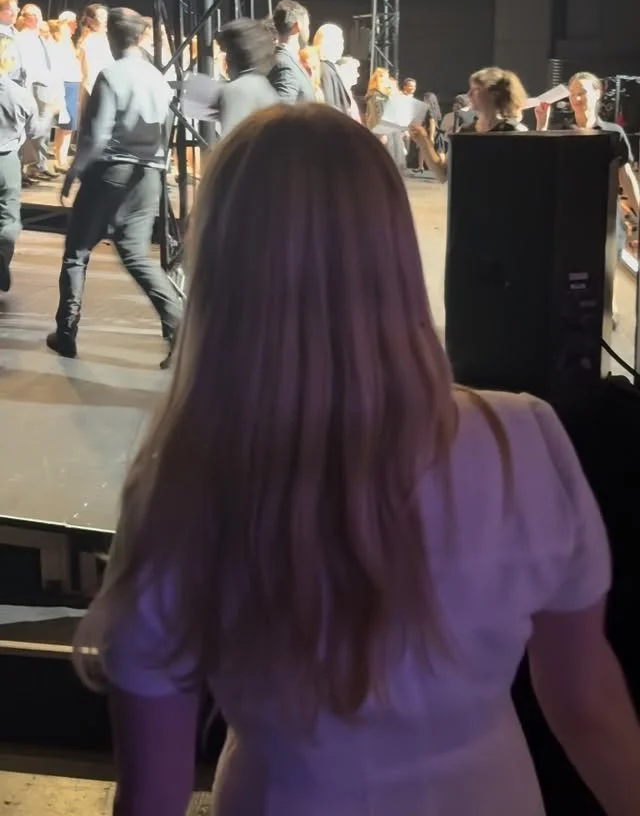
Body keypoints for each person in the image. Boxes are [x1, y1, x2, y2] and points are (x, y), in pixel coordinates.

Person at [74, 105, 640, 816]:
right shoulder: (524, 441)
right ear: (393, 249)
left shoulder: (181, 486)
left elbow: (153, 795)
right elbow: (586, 704)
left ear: (221, 264)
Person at [46, 8, 182, 368]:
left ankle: (66, 332)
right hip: (149, 174)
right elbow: (165, 131)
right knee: (136, 255)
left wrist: (75, 171)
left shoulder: (110, 75)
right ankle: (179, 324)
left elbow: (98, 135)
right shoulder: (157, 78)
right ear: (139, 37)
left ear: (111, 37)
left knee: (77, 253)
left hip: (111, 172)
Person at [536, 72, 639, 317]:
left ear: (597, 92)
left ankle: (607, 311)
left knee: (606, 271)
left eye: (582, 92)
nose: (577, 99)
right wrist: (541, 125)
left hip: (605, 215)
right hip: (569, 215)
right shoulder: (562, 131)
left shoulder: (612, 133)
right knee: (570, 273)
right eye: (572, 94)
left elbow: (626, 176)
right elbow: (540, 164)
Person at [411, 67, 528, 183]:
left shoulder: (514, 132)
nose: (469, 94)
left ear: (494, 94)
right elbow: (443, 174)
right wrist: (423, 141)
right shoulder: (466, 131)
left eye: (476, 89)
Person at [0, 37, 47, 292]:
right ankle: (2, 254)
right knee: (8, 216)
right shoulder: (19, 94)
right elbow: (34, 130)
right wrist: (50, 112)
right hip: (6, 159)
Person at [205, 18, 278, 136]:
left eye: (227, 52)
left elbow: (232, 140)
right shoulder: (262, 85)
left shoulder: (237, 90)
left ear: (233, 56)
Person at [17, 4, 58, 179]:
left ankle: (37, 165)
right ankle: (26, 166)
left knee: (44, 127)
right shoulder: (22, 37)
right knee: (32, 126)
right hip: (33, 85)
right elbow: (26, 65)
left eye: (39, 14)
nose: (39, 17)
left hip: (44, 84)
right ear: (26, 18)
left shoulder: (39, 37)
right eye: (34, 15)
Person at [48, 18, 82, 172]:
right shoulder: (56, 46)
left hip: (72, 84)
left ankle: (60, 158)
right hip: (65, 84)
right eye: (67, 27)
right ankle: (60, 159)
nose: (71, 30)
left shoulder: (69, 45)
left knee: (68, 126)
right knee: (66, 125)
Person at [268, 0, 315, 104]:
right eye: (307, 25)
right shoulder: (285, 65)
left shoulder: (283, 59)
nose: (308, 31)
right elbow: (283, 110)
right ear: (297, 26)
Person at [77, 3, 114, 105]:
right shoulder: (90, 42)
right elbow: (89, 75)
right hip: (95, 93)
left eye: (106, 17)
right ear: (90, 21)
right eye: (101, 17)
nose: (106, 21)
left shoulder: (105, 39)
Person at [314, 23, 353, 114]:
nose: (342, 47)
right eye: (339, 42)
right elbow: (329, 106)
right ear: (328, 44)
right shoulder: (325, 70)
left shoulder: (327, 68)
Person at [0, 0, 26, 86]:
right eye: (10, 10)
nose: (14, 13)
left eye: (16, 9)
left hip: (18, 84)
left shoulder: (17, 34)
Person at [335, 53, 362, 122]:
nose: (358, 75)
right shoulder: (338, 92)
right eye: (355, 71)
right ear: (344, 70)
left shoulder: (347, 92)